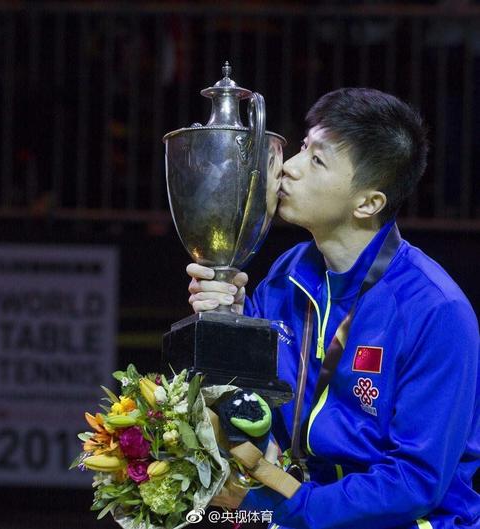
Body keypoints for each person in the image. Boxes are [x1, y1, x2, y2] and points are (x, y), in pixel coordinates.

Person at [186, 88, 479, 529]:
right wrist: (229, 322)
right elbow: (252, 408)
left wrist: (290, 510)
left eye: (317, 160)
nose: (289, 166)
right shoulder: (287, 274)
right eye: (304, 147)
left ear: (368, 203)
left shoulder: (436, 311)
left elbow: (414, 482)